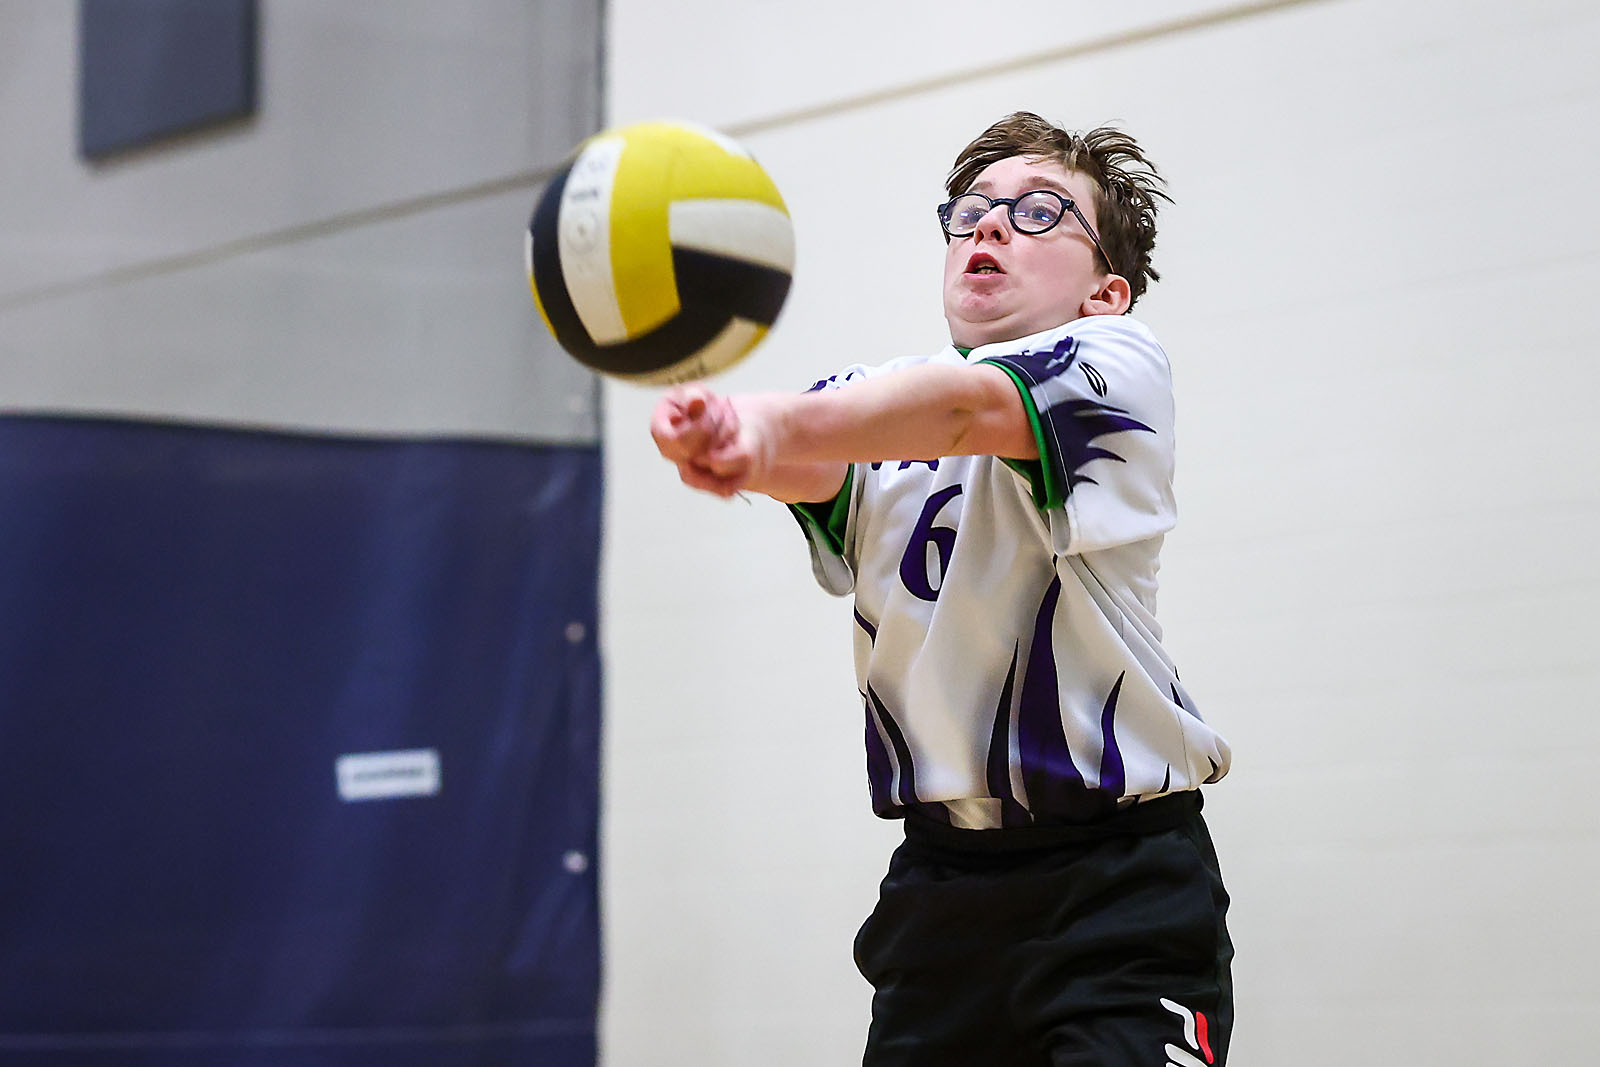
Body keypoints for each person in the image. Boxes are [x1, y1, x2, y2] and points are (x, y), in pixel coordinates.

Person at [650, 111, 1234, 1067]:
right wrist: (738, 441)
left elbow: (964, 409)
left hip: (1117, 893)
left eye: (1041, 212)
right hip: (941, 895)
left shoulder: (1122, 365)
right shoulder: (872, 402)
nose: (991, 228)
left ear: (1106, 292)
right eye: (970, 213)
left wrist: (772, 424)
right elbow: (813, 456)